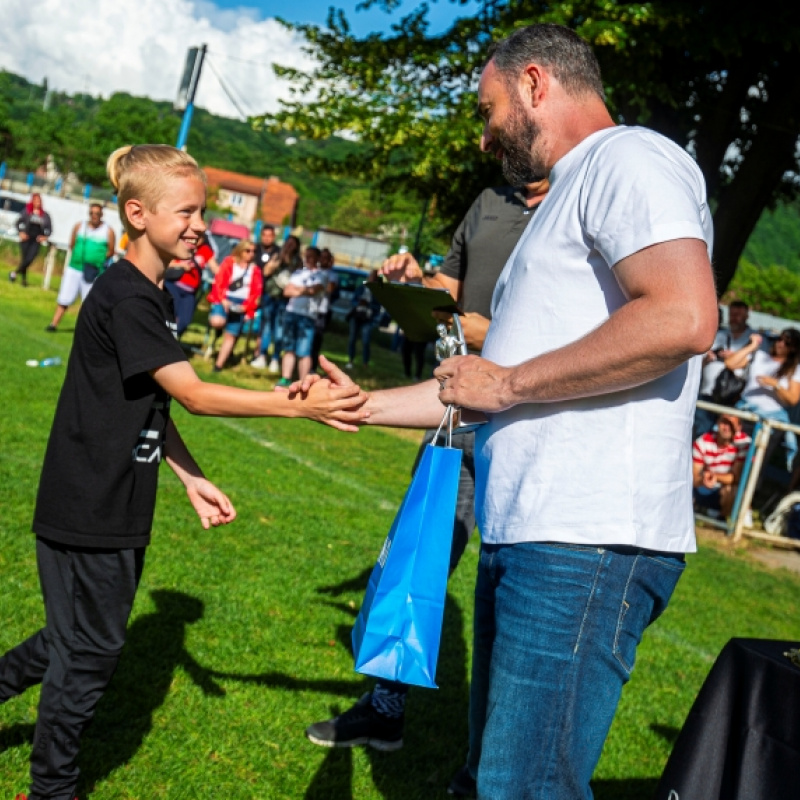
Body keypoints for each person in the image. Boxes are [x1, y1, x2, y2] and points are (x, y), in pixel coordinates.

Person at [299, 23, 717, 799]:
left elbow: (684, 318)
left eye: (489, 110)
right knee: (489, 780)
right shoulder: (555, 208)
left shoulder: (629, 158)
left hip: (586, 541)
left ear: (534, 83)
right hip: (530, 534)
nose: (487, 137)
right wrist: (361, 405)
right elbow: (479, 384)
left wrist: (513, 384)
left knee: (523, 788)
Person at [0, 143, 367, 800]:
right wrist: (295, 406)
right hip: (90, 505)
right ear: (137, 213)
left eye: (203, 210)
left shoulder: (150, 294)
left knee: (69, 640)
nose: (200, 224)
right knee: (88, 657)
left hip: (109, 501)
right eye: (187, 211)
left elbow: (149, 405)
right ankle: (53, 790)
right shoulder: (132, 299)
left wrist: (189, 474)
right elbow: (194, 393)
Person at [304, 180, 548, 781]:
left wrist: (491, 333)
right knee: (421, 557)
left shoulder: (581, 196)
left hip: (539, 430)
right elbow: (449, 298)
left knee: (525, 592)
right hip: (458, 423)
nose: (488, 140)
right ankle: (387, 710)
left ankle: (496, 765)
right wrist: (418, 281)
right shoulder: (490, 201)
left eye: (492, 114)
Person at [725, 329, 800, 470]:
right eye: (779, 339)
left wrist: (775, 385)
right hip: (744, 414)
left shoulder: (795, 369)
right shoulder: (759, 356)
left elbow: (793, 399)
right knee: (730, 458)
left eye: (787, 343)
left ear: (793, 348)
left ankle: (746, 490)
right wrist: (752, 346)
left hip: (769, 422)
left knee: (754, 465)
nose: (781, 344)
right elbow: (730, 363)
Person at [46, 203, 116, 332]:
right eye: (92, 213)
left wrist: (97, 259)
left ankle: (87, 328)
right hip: (75, 268)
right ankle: (54, 324)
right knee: (64, 297)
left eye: (97, 214)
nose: (94, 216)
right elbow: (72, 244)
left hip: (93, 270)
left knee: (89, 301)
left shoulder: (108, 231)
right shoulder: (79, 226)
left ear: (101, 215)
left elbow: (111, 250)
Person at [694, 300, 753, 438]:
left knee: (722, 439)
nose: (734, 318)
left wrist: (732, 358)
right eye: (732, 314)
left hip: (732, 399)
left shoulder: (753, 340)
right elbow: (702, 361)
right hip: (707, 393)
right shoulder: (720, 335)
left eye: (738, 315)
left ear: (747, 316)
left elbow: (745, 364)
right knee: (699, 434)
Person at [207, 239, 263, 373]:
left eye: (254, 251)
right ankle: (218, 331)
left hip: (241, 303)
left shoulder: (255, 270)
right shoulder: (229, 262)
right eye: (248, 250)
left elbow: (256, 293)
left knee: (231, 335)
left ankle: (218, 366)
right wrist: (223, 299)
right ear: (241, 250)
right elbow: (219, 281)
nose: (251, 254)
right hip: (225, 299)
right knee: (217, 321)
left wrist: (247, 308)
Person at [250, 234, 302, 372]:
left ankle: (275, 358)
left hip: (285, 301)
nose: (289, 246)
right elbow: (266, 272)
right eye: (288, 242)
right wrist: (276, 262)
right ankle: (262, 356)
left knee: (279, 331)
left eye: (293, 243)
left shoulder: (297, 262)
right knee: (266, 327)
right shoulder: (276, 255)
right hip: (270, 296)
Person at [277, 245, 326, 389]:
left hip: (307, 316)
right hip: (292, 312)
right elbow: (286, 292)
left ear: (317, 258)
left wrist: (297, 290)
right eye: (306, 255)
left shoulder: (321, 275)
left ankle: (303, 381)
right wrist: (304, 290)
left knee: (304, 351)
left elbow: (313, 290)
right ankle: (285, 378)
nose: (308, 259)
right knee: (289, 348)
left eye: (311, 256)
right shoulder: (298, 273)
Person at [692, 414, 750, 518]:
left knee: (733, 490)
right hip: (703, 488)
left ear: (739, 427)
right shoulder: (702, 441)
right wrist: (703, 480)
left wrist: (713, 476)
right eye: (724, 422)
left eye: (731, 424)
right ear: (717, 423)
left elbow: (736, 478)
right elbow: (693, 476)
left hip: (724, 489)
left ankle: (720, 519)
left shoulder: (744, 443)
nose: (727, 428)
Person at [164, 230, 216, 338]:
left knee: (185, 321)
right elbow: (166, 262)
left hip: (190, 292)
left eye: (201, 236)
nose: (197, 239)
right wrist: (182, 265)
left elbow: (215, 268)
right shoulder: (181, 245)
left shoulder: (205, 250)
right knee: (170, 316)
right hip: (174, 285)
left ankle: (170, 341)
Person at [11, 193, 52, 286]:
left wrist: (44, 237)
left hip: (36, 240)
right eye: (36, 200)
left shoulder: (45, 215)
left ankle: (14, 273)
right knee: (24, 259)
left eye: (39, 201)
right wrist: (21, 232)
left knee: (30, 259)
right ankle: (24, 281)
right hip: (26, 238)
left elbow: (49, 229)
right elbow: (17, 223)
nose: (37, 203)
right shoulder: (27, 212)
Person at [345, 270, 383, 369]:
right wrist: (359, 303)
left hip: (368, 318)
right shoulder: (361, 288)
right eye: (371, 276)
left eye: (374, 277)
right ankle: (350, 360)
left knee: (365, 341)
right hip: (356, 315)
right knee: (352, 339)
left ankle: (365, 362)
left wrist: (368, 305)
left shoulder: (378, 292)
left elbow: (378, 307)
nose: (372, 279)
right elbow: (353, 300)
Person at [310, 248, 338, 372]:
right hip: (308, 309)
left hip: (321, 311)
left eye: (326, 257)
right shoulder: (313, 271)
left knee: (316, 340)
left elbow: (330, 289)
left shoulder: (332, 274)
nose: (323, 260)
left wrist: (316, 286)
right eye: (321, 257)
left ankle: (312, 367)